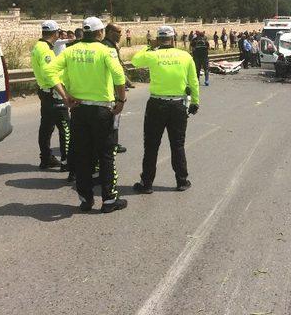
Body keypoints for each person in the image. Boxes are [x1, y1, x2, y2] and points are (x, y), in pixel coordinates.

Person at [45, 17, 128, 213]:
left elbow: (49, 72)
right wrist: (121, 101)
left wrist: (65, 96)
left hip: (79, 110)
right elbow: (119, 76)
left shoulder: (70, 50)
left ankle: (85, 199)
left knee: (83, 155)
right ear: (100, 33)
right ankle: (109, 201)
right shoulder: (106, 51)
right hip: (102, 110)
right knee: (106, 155)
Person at [131, 26, 199, 194]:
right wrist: (195, 101)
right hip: (178, 105)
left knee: (151, 145)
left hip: (156, 104)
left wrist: (150, 46)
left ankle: (147, 183)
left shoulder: (152, 55)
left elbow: (135, 60)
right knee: (177, 144)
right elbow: (193, 81)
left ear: (158, 39)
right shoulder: (185, 56)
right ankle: (182, 181)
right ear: (173, 39)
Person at [30, 20, 71, 174]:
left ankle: (46, 158)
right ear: (55, 33)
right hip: (53, 94)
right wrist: (64, 94)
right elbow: (50, 73)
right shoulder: (46, 50)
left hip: (44, 92)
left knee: (46, 127)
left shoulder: (38, 46)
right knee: (66, 129)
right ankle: (66, 162)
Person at [102, 23, 129, 154]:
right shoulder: (106, 46)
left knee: (115, 118)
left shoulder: (110, 45)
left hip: (112, 87)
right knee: (113, 117)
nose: (120, 35)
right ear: (109, 32)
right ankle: (112, 144)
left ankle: (113, 142)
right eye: (118, 32)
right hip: (111, 89)